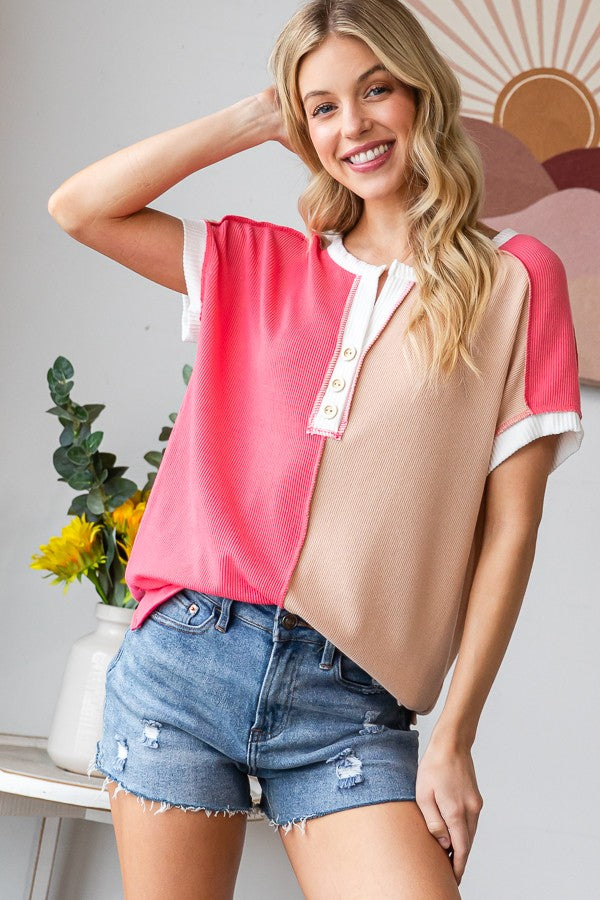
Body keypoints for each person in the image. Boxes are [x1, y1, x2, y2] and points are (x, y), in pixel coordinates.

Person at [48, 1, 583, 897]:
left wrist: (454, 737)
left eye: (375, 91)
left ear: (421, 94)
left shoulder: (516, 279)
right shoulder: (256, 262)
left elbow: (511, 530)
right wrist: (253, 118)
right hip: (186, 660)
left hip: (351, 700)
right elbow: (78, 207)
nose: (354, 125)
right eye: (323, 107)